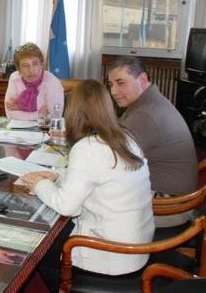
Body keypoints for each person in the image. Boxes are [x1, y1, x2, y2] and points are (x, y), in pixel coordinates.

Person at [20, 80, 155, 293]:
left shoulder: (87, 148)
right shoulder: (125, 137)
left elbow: (67, 207)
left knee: (38, 249)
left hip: (111, 255)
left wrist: (40, 184)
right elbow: (99, 177)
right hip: (137, 246)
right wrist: (58, 177)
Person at [107, 56, 198, 227]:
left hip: (169, 206)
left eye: (121, 83)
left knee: (93, 203)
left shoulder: (146, 113)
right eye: (111, 84)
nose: (113, 92)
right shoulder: (148, 101)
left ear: (142, 79)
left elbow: (108, 156)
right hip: (172, 198)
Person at [4, 42, 64, 120]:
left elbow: (55, 116)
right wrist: (38, 114)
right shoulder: (14, 78)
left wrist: (21, 109)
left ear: (41, 65)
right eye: (25, 65)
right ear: (18, 69)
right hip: (18, 128)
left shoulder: (52, 81)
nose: (31, 70)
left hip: (44, 129)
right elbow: (10, 114)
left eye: (35, 64)